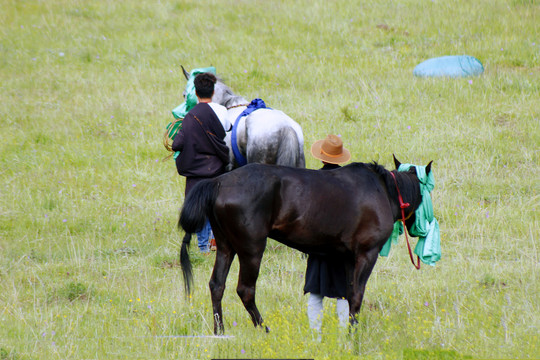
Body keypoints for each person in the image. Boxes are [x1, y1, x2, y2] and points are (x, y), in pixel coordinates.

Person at [172, 72, 232, 253]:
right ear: (213, 92)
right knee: (216, 206)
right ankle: (216, 241)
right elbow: (227, 130)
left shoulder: (190, 115)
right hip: (216, 169)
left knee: (199, 206)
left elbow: (177, 144)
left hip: (196, 172)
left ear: (195, 93)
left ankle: (203, 246)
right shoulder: (222, 111)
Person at [304, 134, 351, 333]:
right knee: (344, 294)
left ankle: (316, 338)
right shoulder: (350, 183)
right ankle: (343, 339)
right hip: (342, 247)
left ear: (322, 157)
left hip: (318, 245)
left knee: (315, 293)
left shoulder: (312, 181)